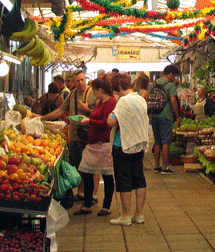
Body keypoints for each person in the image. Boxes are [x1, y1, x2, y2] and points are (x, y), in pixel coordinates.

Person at [107, 72, 151, 226]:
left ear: (119, 87)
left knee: (123, 180)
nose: (116, 93)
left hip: (123, 146)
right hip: (138, 144)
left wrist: (111, 114)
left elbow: (111, 122)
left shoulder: (123, 101)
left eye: (116, 90)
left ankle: (125, 215)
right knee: (139, 179)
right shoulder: (141, 99)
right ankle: (139, 214)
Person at [41, 68, 89, 202]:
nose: (80, 83)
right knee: (77, 165)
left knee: (88, 168)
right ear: (73, 82)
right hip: (74, 135)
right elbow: (61, 110)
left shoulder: (91, 93)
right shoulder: (72, 94)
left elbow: (100, 113)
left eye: (82, 80)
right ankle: (81, 193)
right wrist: (42, 118)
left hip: (88, 137)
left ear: (85, 79)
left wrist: (87, 109)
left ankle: (90, 195)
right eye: (77, 81)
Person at [74, 76, 117, 217]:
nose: (92, 92)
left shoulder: (111, 103)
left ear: (100, 90)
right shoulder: (100, 102)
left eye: (94, 90)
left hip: (104, 143)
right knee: (86, 173)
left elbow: (107, 123)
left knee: (107, 175)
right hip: (93, 143)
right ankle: (87, 204)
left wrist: (89, 121)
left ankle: (106, 206)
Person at [149, 64, 181, 174]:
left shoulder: (153, 83)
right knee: (166, 142)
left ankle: (156, 166)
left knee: (157, 142)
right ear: (170, 74)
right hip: (165, 116)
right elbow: (173, 101)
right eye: (174, 76)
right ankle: (165, 167)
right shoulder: (170, 85)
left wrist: (149, 115)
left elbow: (148, 98)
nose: (174, 78)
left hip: (154, 116)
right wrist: (177, 116)